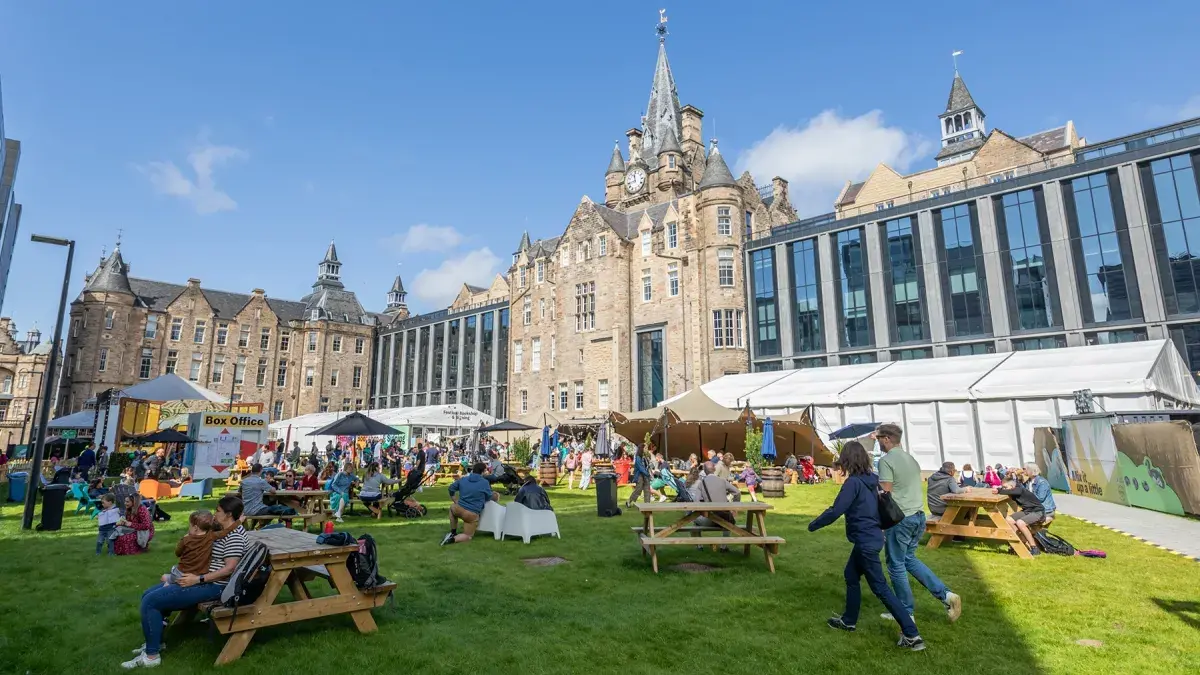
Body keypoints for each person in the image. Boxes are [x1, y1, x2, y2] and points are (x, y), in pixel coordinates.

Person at [807, 441, 925, 651]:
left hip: (865, 542)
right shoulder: (873, 480)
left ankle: (911, 634)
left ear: (848, 460)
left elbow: (836, 510)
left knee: (880, 588)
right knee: (851, 575)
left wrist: (813, 525)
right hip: (873, 538)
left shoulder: (853, 483)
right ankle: (849, 620)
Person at [122, 494, 247, 669]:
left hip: (215, 586)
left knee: (151, 602)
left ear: (228, 514)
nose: (214, 513)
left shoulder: (234, 536)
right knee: (148, 594)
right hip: (199, 579)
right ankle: (155, 643)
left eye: (217, 510)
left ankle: (151, 656)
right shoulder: (216, 530)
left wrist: (198, 579)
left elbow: (229, 569)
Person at [875, 423, 961, 623]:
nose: (877, 441)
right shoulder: (911, 459)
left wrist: (878, 521)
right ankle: (947, 596)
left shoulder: (886, 461)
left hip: (900, 519)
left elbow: (885, 493)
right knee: (908, 560)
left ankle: (905, 613)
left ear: (887, 439)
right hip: (918, 516)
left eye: (878, 438)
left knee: (895, 565)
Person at [161, 510, 237, 586]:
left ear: (195, 528)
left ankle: (168, 583)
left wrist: (182, 540)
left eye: (190, 525)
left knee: (166, 576)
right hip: (199, 574)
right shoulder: (211, 536)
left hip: (182, 573)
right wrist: (239, 521)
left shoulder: (186, 540)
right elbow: (227, 531)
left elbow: (177, 553)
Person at [441, 463, 498, 545]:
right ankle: (452, 539)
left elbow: (451, 488)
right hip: (471, 514)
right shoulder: (484, 482)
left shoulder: (463, 479)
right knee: (468, 536)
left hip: (458, 508)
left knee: (452, 508)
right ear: (483, 471)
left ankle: (453, 532)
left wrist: (454, 499)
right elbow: (489, 497)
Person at [690, 461, 740, 551]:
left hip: (709, 520)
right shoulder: (722, 481)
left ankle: (699, 545)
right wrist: (735, 508)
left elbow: (696, 502)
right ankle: (724, 547)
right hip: (724, 519)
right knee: (727, 519)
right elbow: (737, 492)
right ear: (714, 469)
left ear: (704, 471)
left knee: (695, 519)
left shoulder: (701, 484)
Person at [994, 472, 1045, 554]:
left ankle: (1034, 548)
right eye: (1003, 487)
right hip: (1027, 511)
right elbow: (1008, 491)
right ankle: (1019, 541)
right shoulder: (1014, 489)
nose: (1004, 489)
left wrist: (999, 490)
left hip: (1038, 512)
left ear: (1012, 486)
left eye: (1005, 487)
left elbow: (1014, 492)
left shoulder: (1019, 489)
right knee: (1009, 519)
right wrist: (1000, 489)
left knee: (1020, 523)